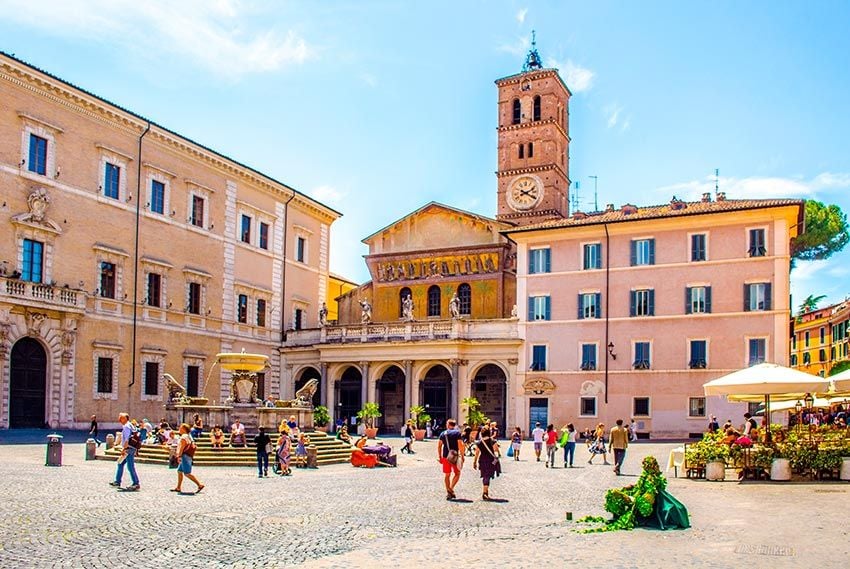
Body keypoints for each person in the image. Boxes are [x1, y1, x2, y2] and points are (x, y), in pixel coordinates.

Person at [110, 412, 140, 491]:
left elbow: (127, 439)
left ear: (126, 418)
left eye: (121, 418)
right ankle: (117, 481)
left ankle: (136, 483)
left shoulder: (126, 427)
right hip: (131, 448)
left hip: (128, 449)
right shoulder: (130, 425)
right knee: (120, 463)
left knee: (130, 467)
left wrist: (124, 449)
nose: (119, 419)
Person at [171, 423, 204, 494]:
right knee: (179, 471)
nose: (179, 429)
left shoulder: (183, 437)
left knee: (187, 473)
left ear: (183, 429)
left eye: (180, 428)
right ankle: (178, 487)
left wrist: (179, 456)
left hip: (184, 456)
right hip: (187, 455)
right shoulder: (189, 436)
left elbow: (182, 447)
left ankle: (199, 484)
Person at [437, 419, 464, 500]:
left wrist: (440, 456)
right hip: (455, 456)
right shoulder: (457, 433)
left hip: (446, 456)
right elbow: (460, 445)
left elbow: (439, 446)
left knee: (447, 475)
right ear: (454, 425)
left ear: (448, 425)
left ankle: (449, 490)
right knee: (457, 473)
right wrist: (462, 455)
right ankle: (451, 489)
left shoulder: (443, 433)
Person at [473, 427, 501, 501]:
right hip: (490, 460)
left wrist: (474, 462)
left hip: (482, 460)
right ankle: (485, 492)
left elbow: (477, 453)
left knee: (485, 475)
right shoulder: (492, 441)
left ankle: (485, 491)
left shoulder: (479, 442)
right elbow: (496, 450)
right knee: (487, 476)